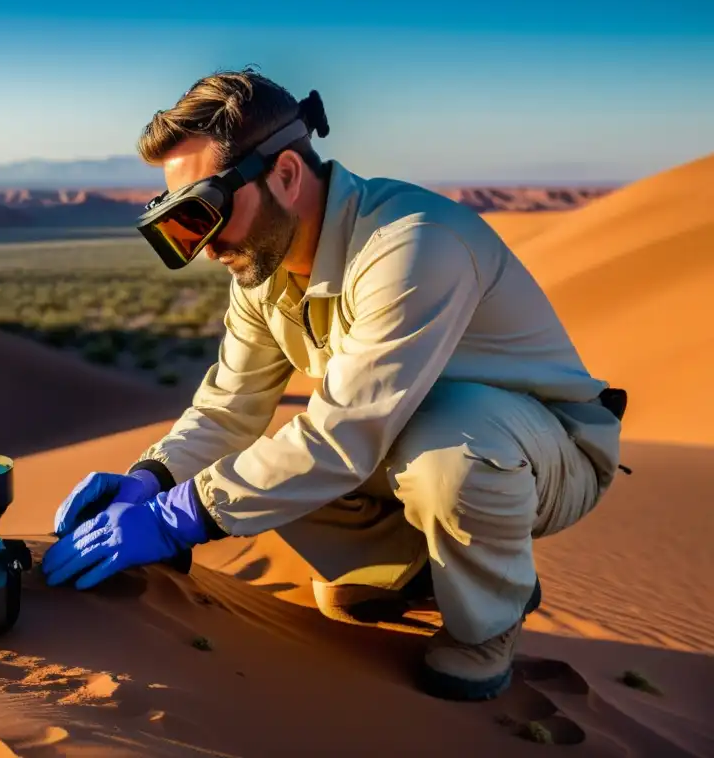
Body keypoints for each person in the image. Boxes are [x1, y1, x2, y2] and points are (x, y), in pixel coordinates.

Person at [41, 68, 627, 701]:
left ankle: (486, 622)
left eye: (208, 211)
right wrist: (151, 480)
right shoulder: (262, 272)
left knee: (450, 443)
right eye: (182, 222)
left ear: (286, 175)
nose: (206, 247)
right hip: (398, 438)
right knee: (281, 491)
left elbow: (346, 432)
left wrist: (178, 517)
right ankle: (413, 571)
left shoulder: (412, 244)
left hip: (543, 456)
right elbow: (226, 412)